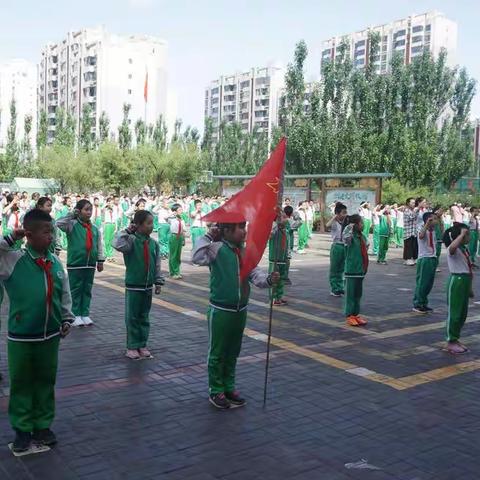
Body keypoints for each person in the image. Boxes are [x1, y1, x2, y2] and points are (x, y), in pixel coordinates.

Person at [0, 209, 73, 453]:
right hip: (21, 336)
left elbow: (65, 292)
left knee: (45, 381)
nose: (51, 236)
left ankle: (43, 426)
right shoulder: (13, 260)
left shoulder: (54, 262)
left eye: (51, 231)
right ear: (29, 234)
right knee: (21, 383)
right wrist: (12, 237)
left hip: (50, 336)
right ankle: (22, 429)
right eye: (45, 232)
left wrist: (66, 317)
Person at [192, 221, 279, 409]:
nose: (244, 231)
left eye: (244, 227)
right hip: (221, 310)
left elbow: (255, 275)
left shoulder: (244, 252)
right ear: (226, 231)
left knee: (233, 352)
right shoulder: (217, 248)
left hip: (240, 311)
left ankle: (229, 387)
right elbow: (197, 257)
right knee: (217, 353)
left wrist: (269, 280)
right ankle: (216, 390)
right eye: (240, 228)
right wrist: (208, 236)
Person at [113, 210, 165, 360]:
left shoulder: (153, 244)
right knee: (132, 317)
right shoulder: (131, 241)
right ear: (138, 225)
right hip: (134, 285)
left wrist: (158, 281)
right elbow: (116, 244)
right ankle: (132, 346)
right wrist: (126, 231)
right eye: (148, 223)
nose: (151, 226)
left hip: (147, 287)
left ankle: (142, 344)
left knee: (144, 316)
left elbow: (157, 264)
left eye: (152, 223)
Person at [57, 199, 105, 327]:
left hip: (90, 264)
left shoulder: (94, 228)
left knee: (87, 289)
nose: (89, 212)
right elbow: (58, 223)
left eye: (90, 209)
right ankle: (74, 314)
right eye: (86, 209)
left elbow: (99, 245)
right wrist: (72, 214)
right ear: (79, 211)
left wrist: (100, 260)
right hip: (76, 263)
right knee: (75, 289)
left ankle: (85, 313)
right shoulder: (72, 225)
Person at [443, 223, 473, 354]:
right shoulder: (453, 248)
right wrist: (461, 234)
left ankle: (456, 338)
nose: (469, 236)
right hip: (457, 281)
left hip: (464, 281)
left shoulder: (464, 249)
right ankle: (451, 341)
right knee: (454, 313)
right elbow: (451, 248)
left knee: (462, 314)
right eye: (468, 234)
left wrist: (470, 288)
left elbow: (468, 269)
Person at [343, 214, 369, 327]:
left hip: (360, 270)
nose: (363, 225)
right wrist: (349, 227)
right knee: (351, 295)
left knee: (358, 294)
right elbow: (345, 238)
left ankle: (356, 314)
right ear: (355, 225)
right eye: (361, 223)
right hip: (352, 270)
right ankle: (349, 315)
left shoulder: (361, 236)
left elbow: (367, 245)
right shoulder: (350, 237)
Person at [413, 212, 438, 314]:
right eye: (434, 219)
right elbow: (421, 236)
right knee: (422, 282)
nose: (436, 221)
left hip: (432, 257)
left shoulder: (434, 231)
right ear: (428, 220)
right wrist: (427, 224)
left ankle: (424, 302)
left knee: (428, 283)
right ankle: (418, 304)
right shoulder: (421, 227)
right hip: (425, 258)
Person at [326, 203, 347, 297]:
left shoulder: (346, 222)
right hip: (337, 245)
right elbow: (327, 225)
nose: (345, 214)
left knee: (341, 268)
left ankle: (340, 287)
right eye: (343, 213)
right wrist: (334, 217)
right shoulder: (334, 222)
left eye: (346, 212)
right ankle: (334, 288)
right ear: (337, 214)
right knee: (335, 268)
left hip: (344, 246)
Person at [269, 212, 290, 306]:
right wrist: (276, 221)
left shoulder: (286, 230)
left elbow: (298, 223)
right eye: (283, 218)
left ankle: (279, 297)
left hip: (283, 259)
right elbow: (270, 234)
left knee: (281, 280)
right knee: (274, 280)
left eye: (286, 217)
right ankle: (273, 298)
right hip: (275, 259)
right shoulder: (275, 230)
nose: (286, 219)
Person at [168, 204, 186, 279]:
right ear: (175, 211)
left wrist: (184, 239)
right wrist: (172, 213)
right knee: (173, 255)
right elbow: (165, 218)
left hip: (180, 237)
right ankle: (173, 272)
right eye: (179, 210)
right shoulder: (171, 219)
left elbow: (183, 230)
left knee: (178, 255)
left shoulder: (182, 219)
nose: (181, 211)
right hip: (174, 236)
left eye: (181, 210)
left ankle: (177, 271)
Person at [403, 198, 418, 266]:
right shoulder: (406, 210)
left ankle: (414, 258)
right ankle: (407, 259)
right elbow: (411, 217)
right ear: (408, 203)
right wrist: (416, 211)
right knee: (408, 246)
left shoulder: (413, 210)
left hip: (413, 231)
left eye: (414, 203)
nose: (413, 204)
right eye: (412, 203)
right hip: (408, 231)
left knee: (414, 246)